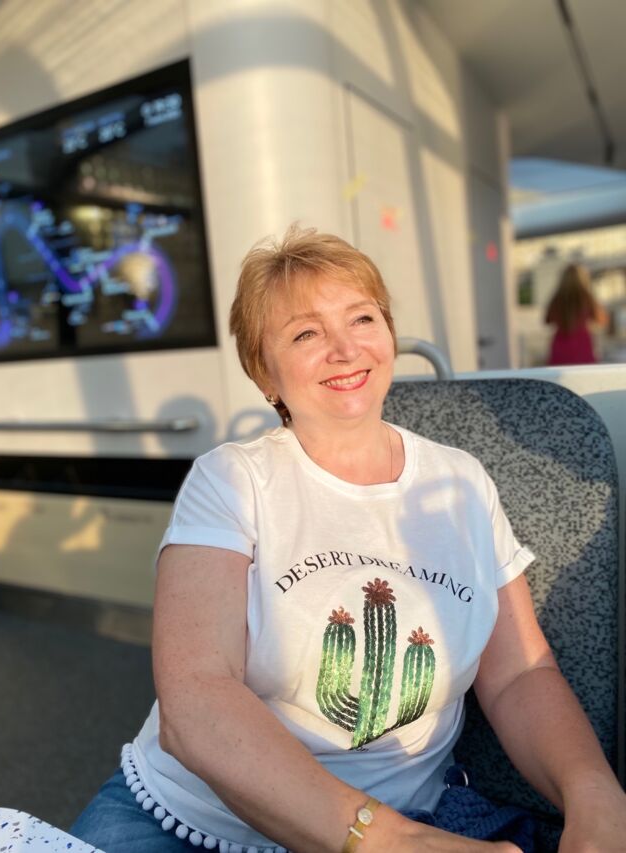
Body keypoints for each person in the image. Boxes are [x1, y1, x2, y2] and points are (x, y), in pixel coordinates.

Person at [71, 226, 626, 853]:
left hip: (412, 819)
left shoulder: (462, 481)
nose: (344, 349)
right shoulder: (233, 480)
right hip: (198, 825)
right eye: (306, 334)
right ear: (265, 374)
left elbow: (520, 672)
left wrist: (594, 793)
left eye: (362, 318)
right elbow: (198, 697)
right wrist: (392, 841)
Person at [545, 264, 608, 366]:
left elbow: (547, 320)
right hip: (582, 343)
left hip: (561, 343)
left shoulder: (557, 299)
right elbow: (601, 320)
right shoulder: (586, 297)